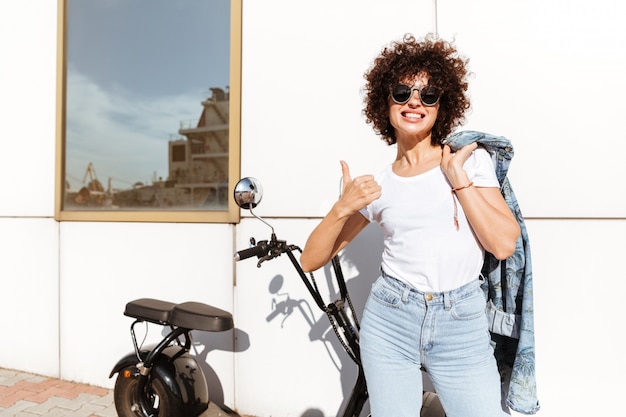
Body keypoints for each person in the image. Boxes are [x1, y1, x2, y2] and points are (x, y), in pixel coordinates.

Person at [300, 34, 520, 417]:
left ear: (441, 105)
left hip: (461, 322)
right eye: (402, 92)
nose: (414, 101)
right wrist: (342, 207)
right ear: (384, 102)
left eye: (428, 94)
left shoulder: (468, 161)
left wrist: (459, 181)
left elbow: (502, 244)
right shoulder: (379, 185)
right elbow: (311, 259)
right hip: (391, 321)